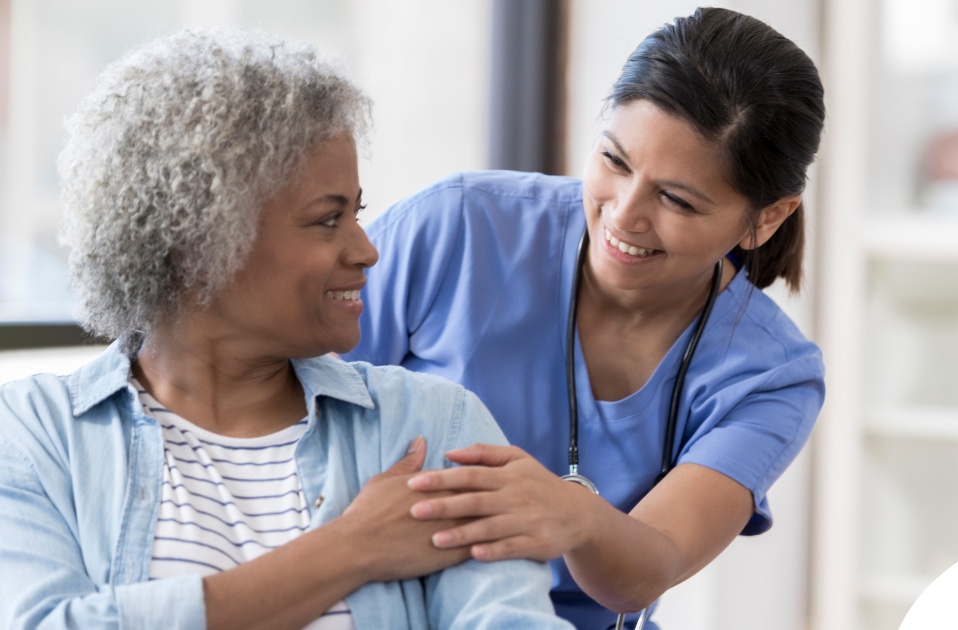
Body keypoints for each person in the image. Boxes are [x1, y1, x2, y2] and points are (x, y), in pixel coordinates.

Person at [0, 28, 570, 630]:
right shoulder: (40, 435)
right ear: (201, 246)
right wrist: (351, 548)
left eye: (358, 212)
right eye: (328, 220)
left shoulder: (432, 427)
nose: (367, 250)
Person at [343, 7, 826, 629]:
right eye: (615, 162)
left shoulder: (772, 376)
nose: (624, 215)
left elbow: (648, 569)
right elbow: (288, 394)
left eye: (676, 199)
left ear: (768, 217)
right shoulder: (461, 226)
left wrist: (572, 514)